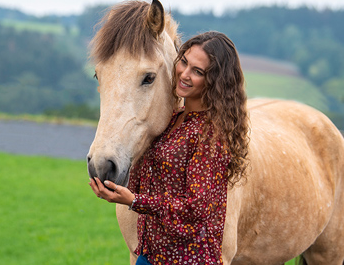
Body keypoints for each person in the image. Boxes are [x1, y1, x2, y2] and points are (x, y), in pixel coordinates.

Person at [89, 31, 250, 265]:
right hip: (151, 254)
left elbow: (197, 207)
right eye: (183, 62)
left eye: (198, 71)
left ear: (214, 81)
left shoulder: (210, 135)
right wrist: (114, 189)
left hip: (187, 258)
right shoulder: (172, 120)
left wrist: (134, 201)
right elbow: (158, 179)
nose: (184, 74)